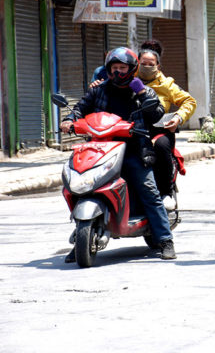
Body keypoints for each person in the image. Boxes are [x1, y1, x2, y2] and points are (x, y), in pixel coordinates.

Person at [60, 47, 176, 261]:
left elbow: (157, 114)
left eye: (122, 68)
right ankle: (81, 238)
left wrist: (143, 94)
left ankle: (165, 240)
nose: (118, 72)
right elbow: (81, 108)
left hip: (134, 150)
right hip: (101, 149)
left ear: (131, 69)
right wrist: (69, 119)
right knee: (81, 187)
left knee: (148, 190)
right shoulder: (98, 90)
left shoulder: (142, 90)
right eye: (114, 68)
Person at [136, 40, 197, 204]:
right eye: (143, 63)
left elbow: (189, 101)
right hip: (131, 129)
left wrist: (178, 117)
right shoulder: (128, 80)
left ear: (158, 66)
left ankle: (165, 192)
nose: (147, 67)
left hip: (158, 131)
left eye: (151, 64)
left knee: (162, 146)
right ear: (137, 62)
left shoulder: (167, 84)